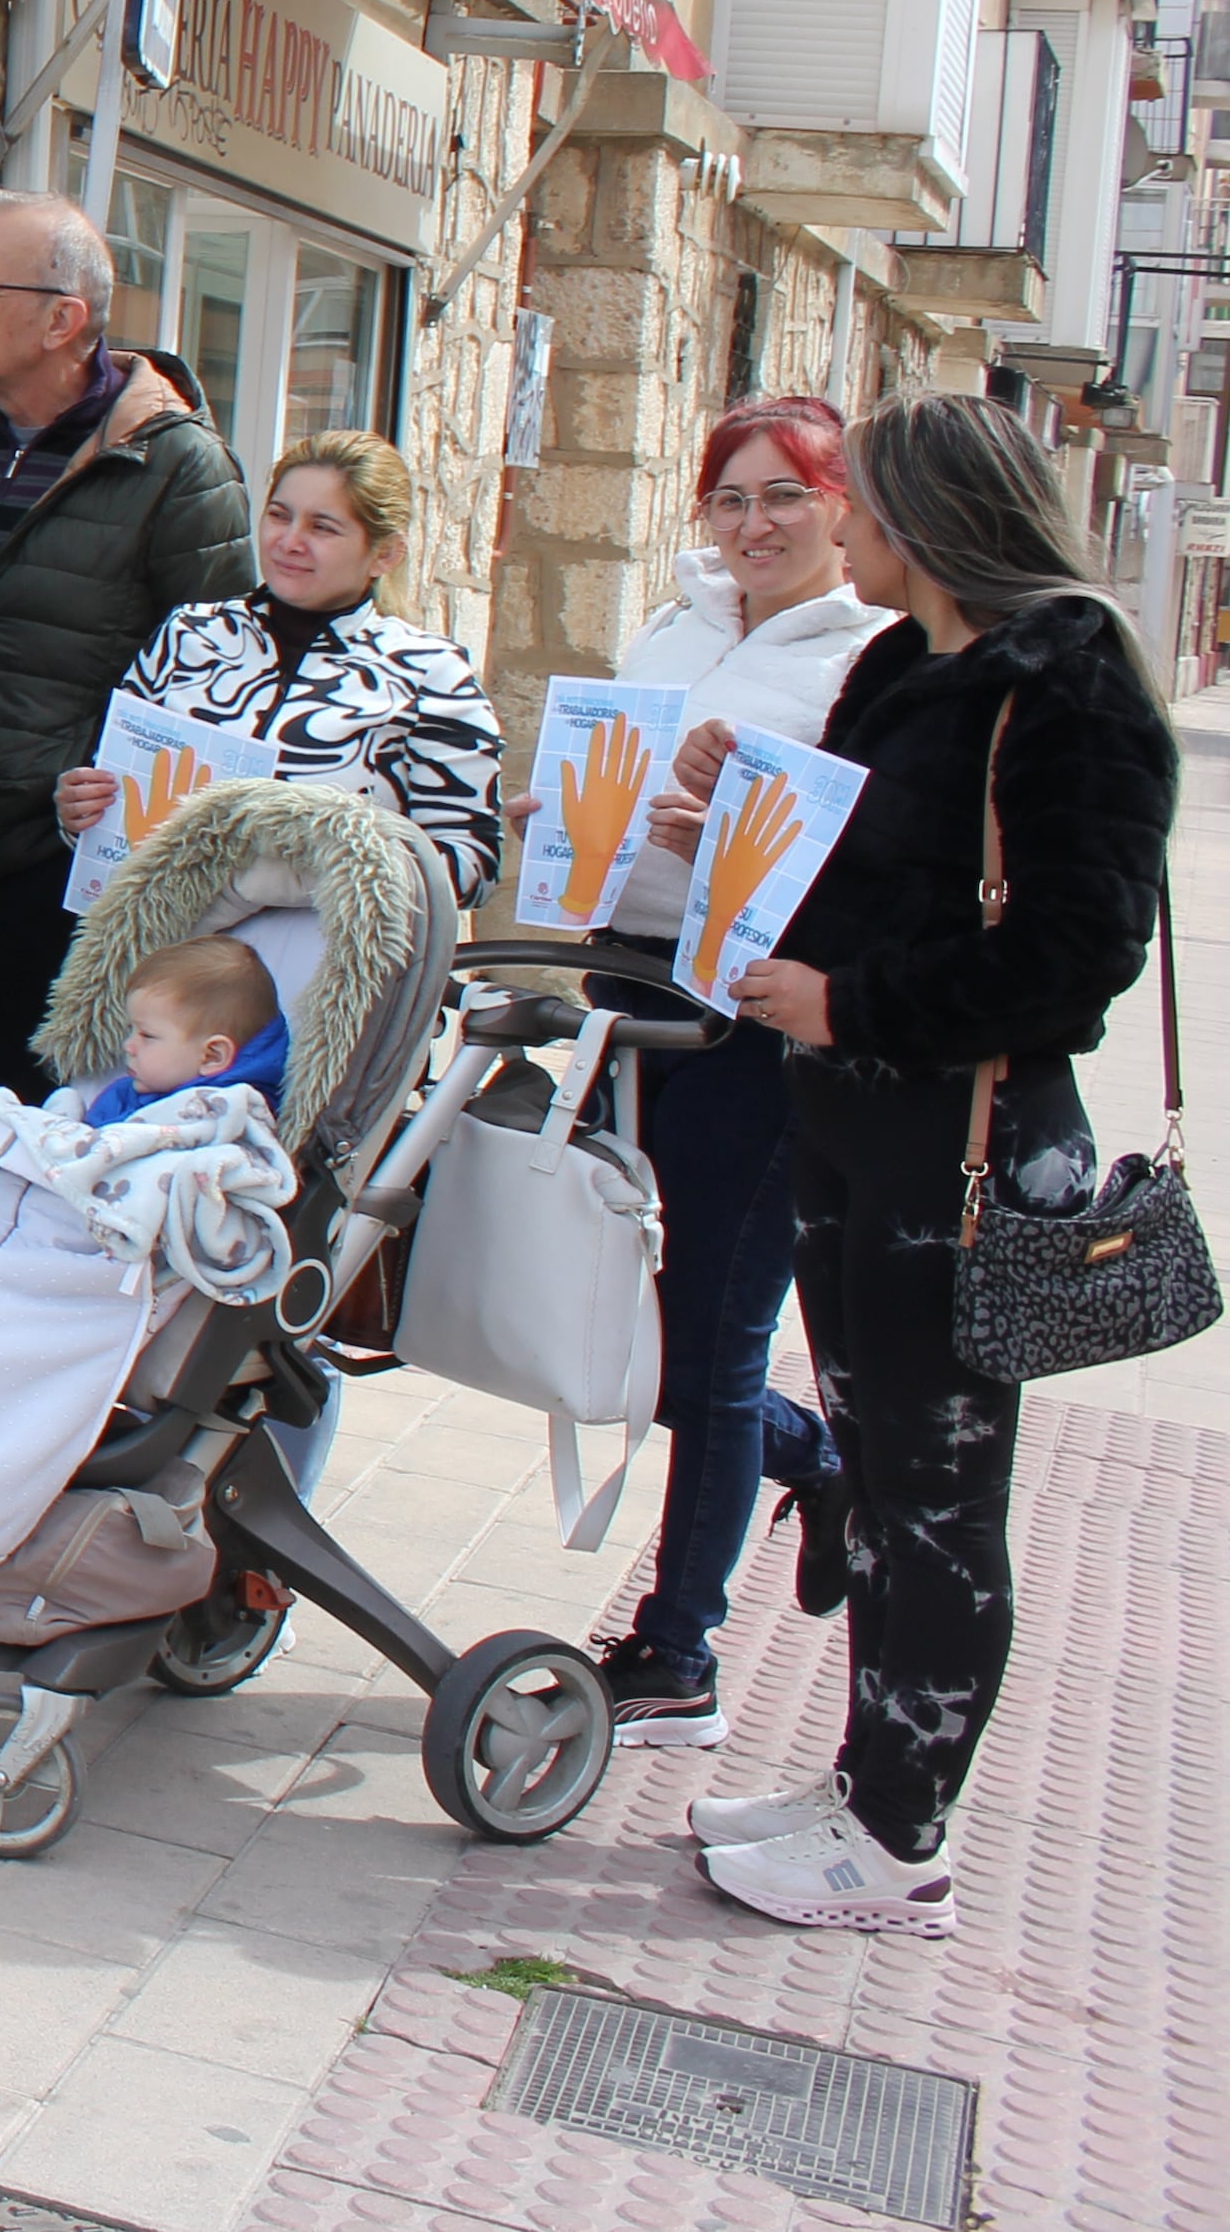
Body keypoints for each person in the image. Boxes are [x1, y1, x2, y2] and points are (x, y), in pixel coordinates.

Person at [689, 394, 1176, 1939]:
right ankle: (862, 1783)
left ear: (931, 520)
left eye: (870, 510)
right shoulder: (906, 667)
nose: (852, 534)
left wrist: (855, 1002)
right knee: (881, 1482)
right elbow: (865, 865)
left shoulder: (1070, 686)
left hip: (964, 1146)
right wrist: (741, 823)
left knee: (941, 1497)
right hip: (854, 1129)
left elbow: (1073, 954)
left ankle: (904, 1837)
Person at [550, 398, 884, 1751]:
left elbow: (856, 856)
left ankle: (680, 1648)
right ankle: (814, 1455)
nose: (755, 525)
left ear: (842, 509)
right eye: (732, 498)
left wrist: (730, 825)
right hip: (630, 985)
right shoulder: (678, 626)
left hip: (751, 1014)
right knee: (601, 1300)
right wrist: (566, 813)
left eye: (785, 497)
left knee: (714, 1331)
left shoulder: (869, 657)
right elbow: (615, 786)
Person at [0, 196, 250, 1172]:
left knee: (38, 1151)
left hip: (47, 873)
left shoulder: (178, 470)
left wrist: (97, 793)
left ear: (63, 319)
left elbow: (217, 687)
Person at [58, 431, 503, 904]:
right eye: (279, 515)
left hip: (323, 966)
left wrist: (283, 878)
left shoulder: (429, 673)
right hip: (156, 955)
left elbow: (471, 867)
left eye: (323, 527)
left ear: (384, 553)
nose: (289, 541)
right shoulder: (189, 633)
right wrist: (79, 812)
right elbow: (110, 795)